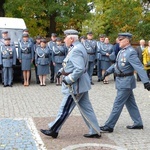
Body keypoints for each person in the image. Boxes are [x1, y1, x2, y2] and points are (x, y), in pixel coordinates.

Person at [40, 29, 101, 139]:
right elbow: (70, 64)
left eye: (65, 38)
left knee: (65, 108)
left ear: (71, 38)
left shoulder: (76, 49)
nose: (64, 40)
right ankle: (95, 130)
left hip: (75, 85)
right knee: (87, 109)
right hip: (81, 84)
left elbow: (79, 69)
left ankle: (54, 129)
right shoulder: (75, 48)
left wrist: (69, 79)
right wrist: (61, 71)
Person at [100, 33, 150, 133]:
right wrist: (107, 72)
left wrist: (146, 82)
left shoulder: (131, 52)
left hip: (125, 82)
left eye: (121, 39)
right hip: (122, 81)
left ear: (127, 41)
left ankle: (109, 126)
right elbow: (116, 65)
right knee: (131, 103)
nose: (118, 41)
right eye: (119, 39)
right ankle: (138, 123)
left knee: (117, 104)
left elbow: (139, 67)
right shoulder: (121, 51)